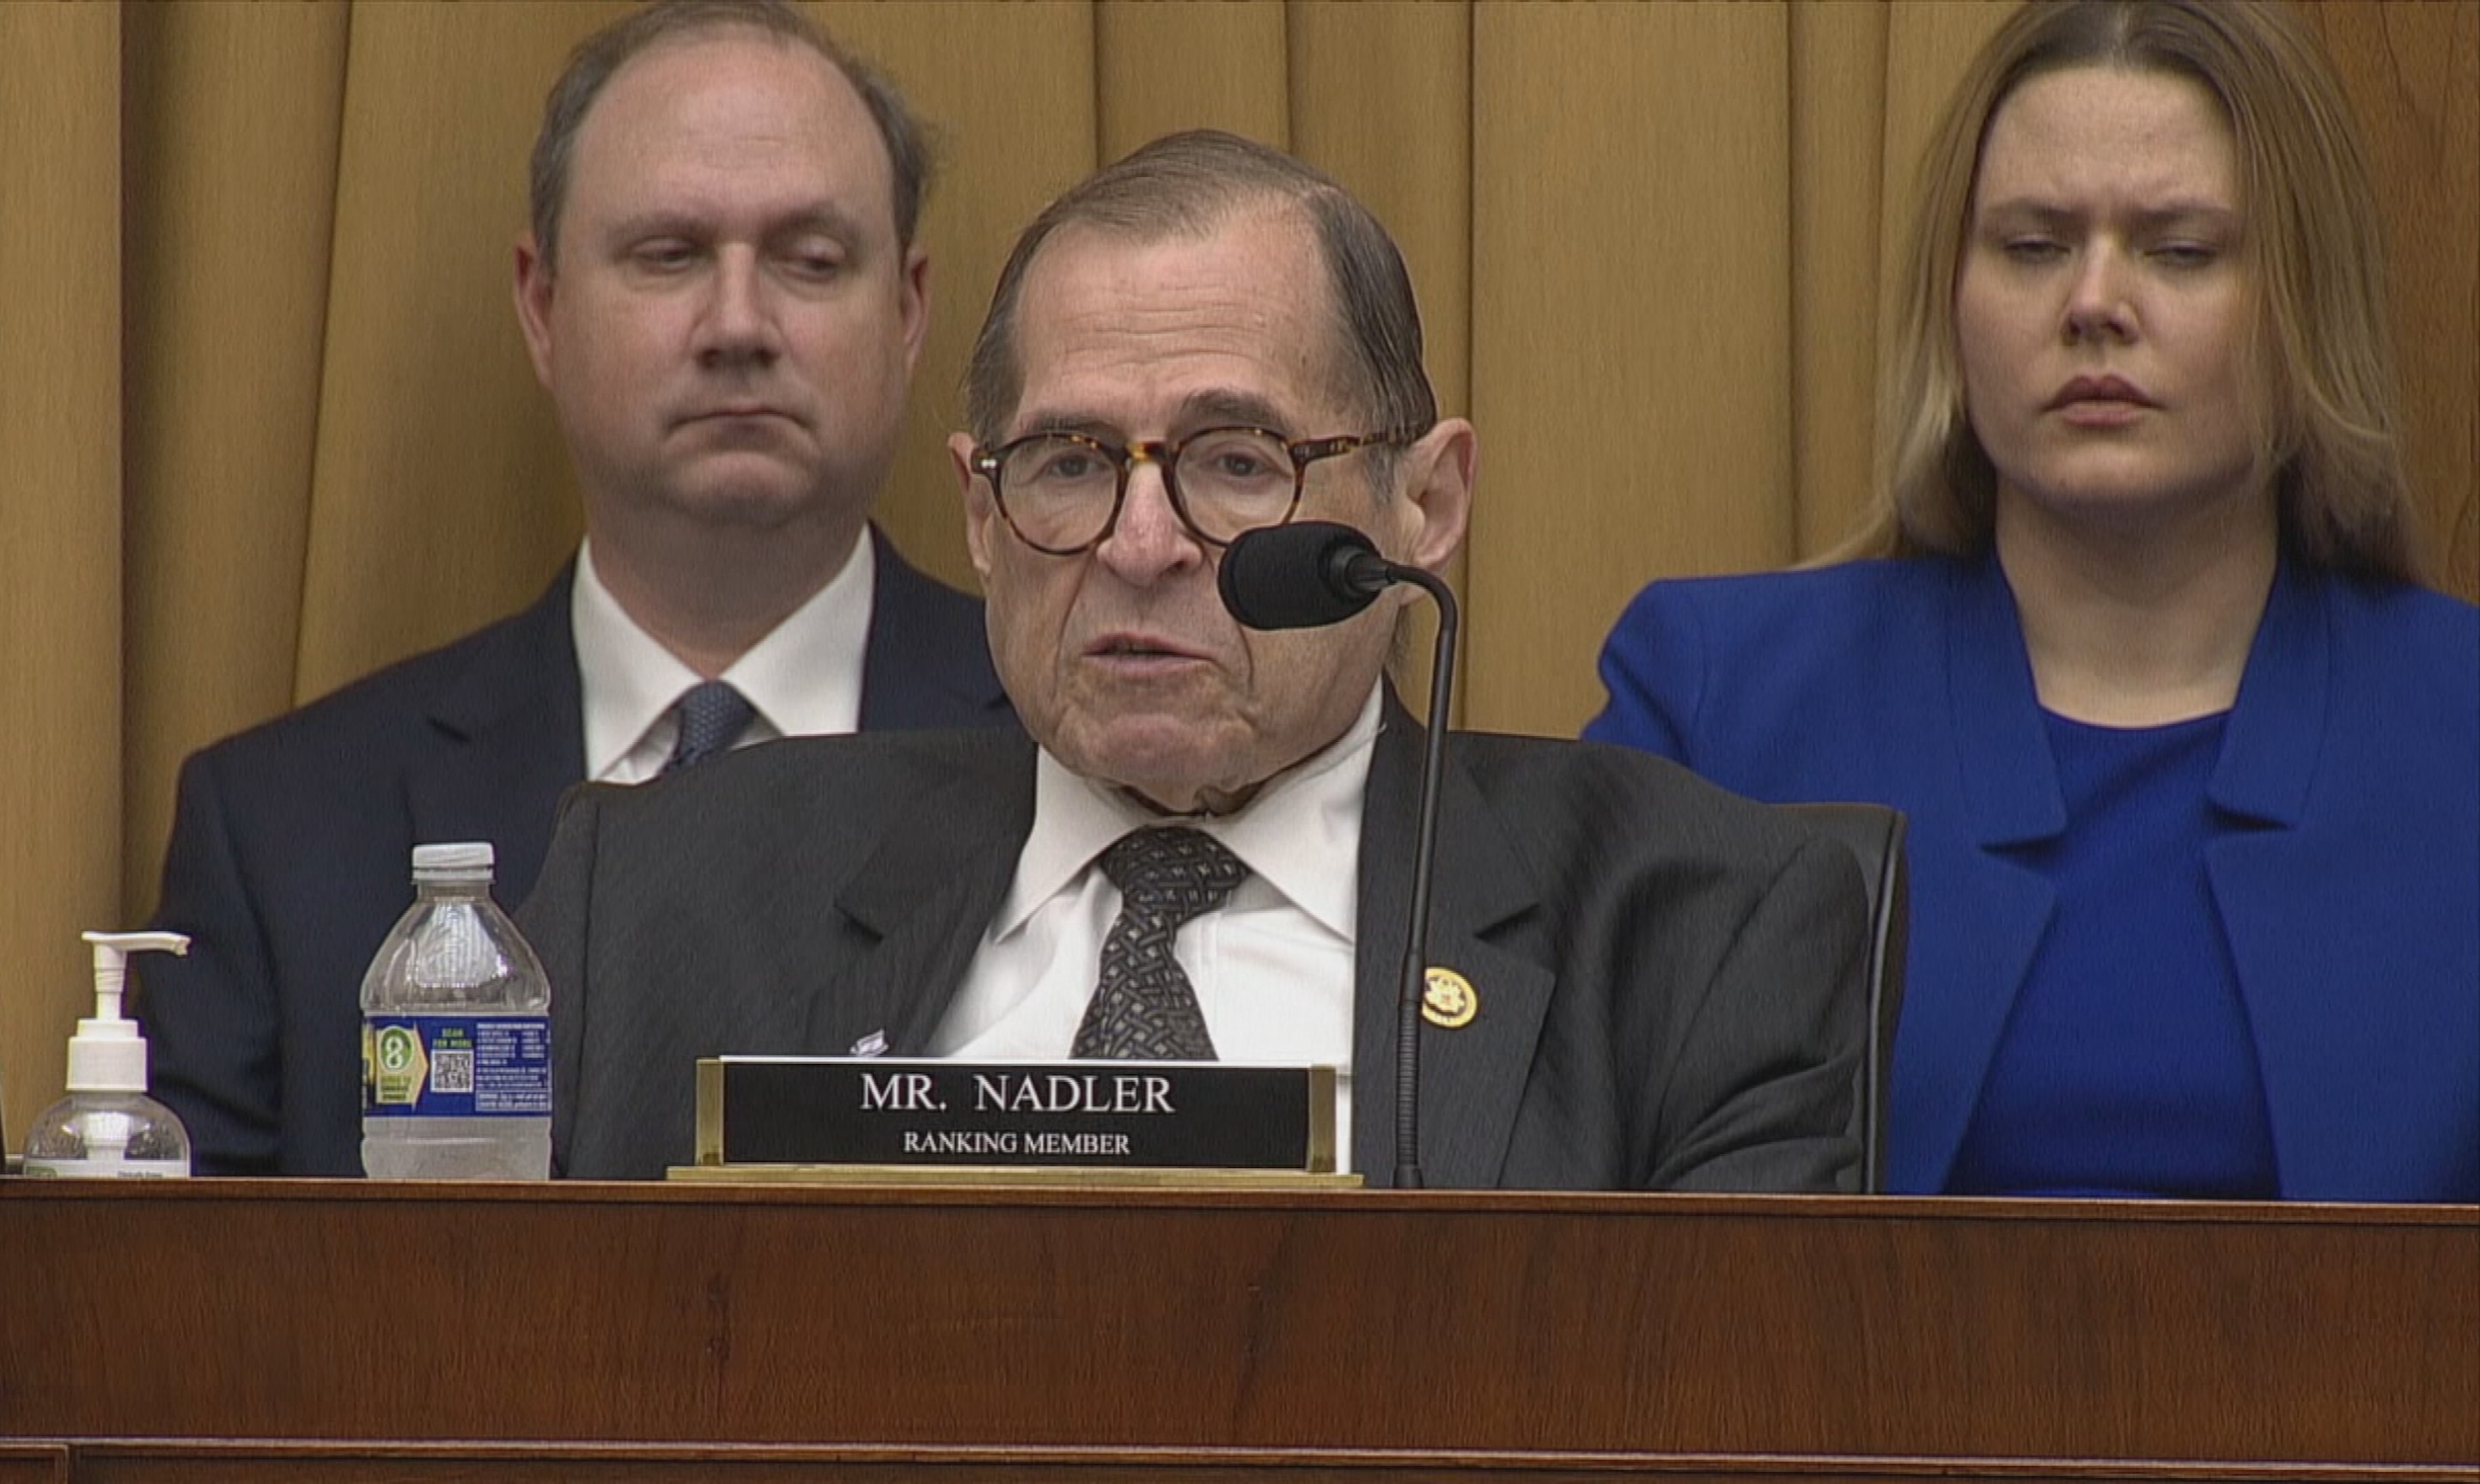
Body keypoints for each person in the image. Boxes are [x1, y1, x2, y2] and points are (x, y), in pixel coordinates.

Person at [526, 130, 1869, 1189]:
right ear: (984, 517)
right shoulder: (653, 899)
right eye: (1070, 464)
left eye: (1238, 463)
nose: (1144, 543)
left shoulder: (1699, 936)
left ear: (1426, 507)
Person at [1587, 1, 2477, 1200]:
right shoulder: (1717, 704)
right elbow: (1582, 1238)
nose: (2095, 303)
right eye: (2034, 244)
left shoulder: (2453, 724)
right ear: (1953, 303)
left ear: (2306, 305)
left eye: (2179, 249)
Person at [141, 1, 1015, 1177]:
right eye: (669, 256)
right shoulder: (281, 828)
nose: (740, 325)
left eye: (811, 261)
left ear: (909, 313)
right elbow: (185, 1321)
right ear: (543, 305)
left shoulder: (1063, 765)